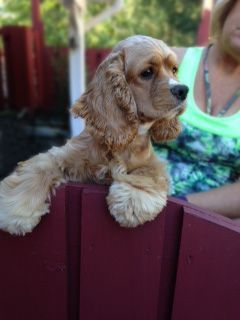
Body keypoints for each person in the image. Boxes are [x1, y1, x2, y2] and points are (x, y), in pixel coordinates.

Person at [153, 0, 240, 218]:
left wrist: (178, 207)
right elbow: (116, 135)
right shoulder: (168, 63)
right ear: (228, 7)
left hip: (208, 234)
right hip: (132, 206)